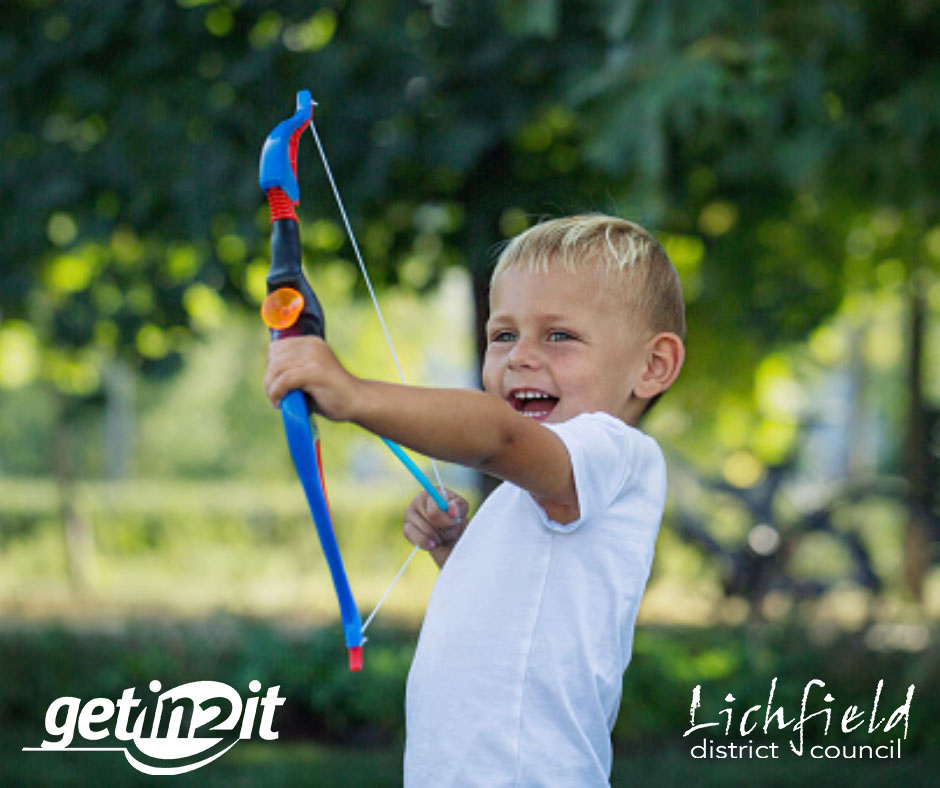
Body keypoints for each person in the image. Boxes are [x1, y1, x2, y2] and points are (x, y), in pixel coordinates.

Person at [265, 214, 686, 786]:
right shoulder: (539, 486)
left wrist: (354, 394)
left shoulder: (616, 453)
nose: (520, 357)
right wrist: (460, 553)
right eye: (503, 335)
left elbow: (496, 435)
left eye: (559, 335)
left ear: (652, 365)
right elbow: (523, 610)